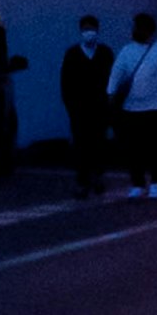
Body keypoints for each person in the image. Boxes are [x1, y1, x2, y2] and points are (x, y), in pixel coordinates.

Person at [109, 9, 157, 201]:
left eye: (140, 27)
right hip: (131, 107)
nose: (136, 31)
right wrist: (110, 92)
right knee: (133, 148)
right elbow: (117, 72)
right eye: (135, 27)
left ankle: (156, 183)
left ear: (149, 30)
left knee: (156, 147)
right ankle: (137, 183)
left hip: (155, 107)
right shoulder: (127, 50)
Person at [60, 12, 114, 199]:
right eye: (85, 29)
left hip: (100, 106)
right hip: (79, 108)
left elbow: (112, 79)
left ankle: (98, 177)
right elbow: (65, 82)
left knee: (99, 143)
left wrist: (110, 103)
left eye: (91, 29)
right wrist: (71, 106)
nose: (89, 32)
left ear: (97, 31)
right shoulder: (73, 54)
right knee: (81, 144)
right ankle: (82, 181)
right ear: (80, 31)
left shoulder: (105, 53)